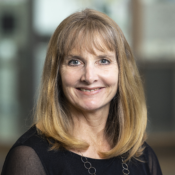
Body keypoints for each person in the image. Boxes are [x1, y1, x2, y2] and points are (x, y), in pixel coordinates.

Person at [1, 9, 162, 175]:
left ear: (122, 71)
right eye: (75, 62)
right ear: (57, 73)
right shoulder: (28, 157)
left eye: (103, 60)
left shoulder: (142, 155)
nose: (89, 77)